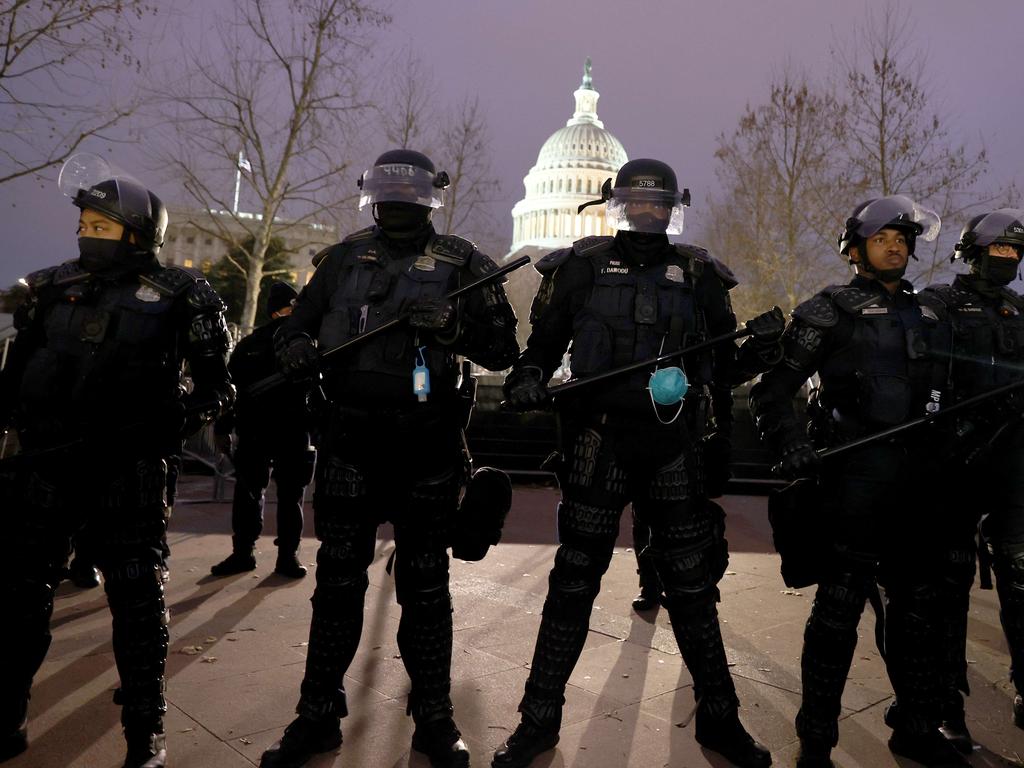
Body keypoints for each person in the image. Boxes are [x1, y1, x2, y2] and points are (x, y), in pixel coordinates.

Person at [495, 158, 784, 768]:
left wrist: (757, 350)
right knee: (572, 584)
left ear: (672, 207)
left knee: (693, 589)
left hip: (673, 448)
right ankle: (537, 719)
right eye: (639, 202)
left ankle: (720, 718)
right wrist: (525, 379)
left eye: (659, 204)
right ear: (618, 203)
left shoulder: (702, 274)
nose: (649, 213)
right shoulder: (577, 266)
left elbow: (720, 367)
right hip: (600, 443)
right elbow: (542, 347)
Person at [259, 149, 520, 768]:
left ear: (429, 198)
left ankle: (433, 716)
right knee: (337, 585)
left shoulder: (465, 264)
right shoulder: (343, 258)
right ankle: (316, 713)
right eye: (387, 193)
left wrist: (454, 327)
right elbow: (298, 322)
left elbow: (505, 347)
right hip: (349, 442)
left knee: (426, 588)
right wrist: (293, 344)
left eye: (407, 194)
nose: (396, 204)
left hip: (425, 447)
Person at [0, 166, 233, 768]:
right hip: (48, 468)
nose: (87, 234)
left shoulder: (186, 294)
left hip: (126, 472)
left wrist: (176, 420)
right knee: (22, 596)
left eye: (100, 225)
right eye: (83, 224)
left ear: (136, 233)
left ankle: (145, 731)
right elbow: (13, 377)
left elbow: (217, 386)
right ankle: (8, 714)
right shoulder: (49, 286)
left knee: (137, 604)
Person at [748, 195, 971, 767]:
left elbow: (957, 394)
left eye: (903, 237)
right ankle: (817, 737)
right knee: (837, 613)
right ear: (857, 249)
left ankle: (916, 727)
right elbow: (772, 391)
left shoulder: (933, 314)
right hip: (853, 481)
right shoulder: (829, 311)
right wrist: (793, 443)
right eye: (883, 237)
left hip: (918, 487)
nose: (897, 244)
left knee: (919, 612)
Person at [919, 209, 1024, 752]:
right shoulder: (936, 304)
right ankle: (945, 702)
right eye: (999, 250)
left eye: (1015, 252)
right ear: (974, 251)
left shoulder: (1020, 311)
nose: (1008, 260)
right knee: (948, 588)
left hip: (1012, 464)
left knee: (1022, 577)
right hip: (954, 462)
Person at [210, 281, 316, 579]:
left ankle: (244, 553)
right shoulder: (307, 341)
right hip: (291, 431)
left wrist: (223, 428)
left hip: (257, 429)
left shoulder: (249, 345)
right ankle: (286, 558)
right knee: (289, 497)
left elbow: (231, 391)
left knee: (249, 493)